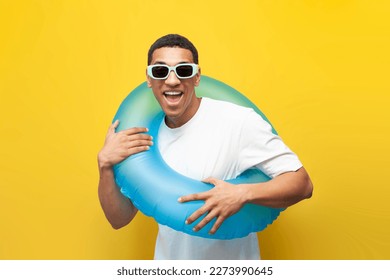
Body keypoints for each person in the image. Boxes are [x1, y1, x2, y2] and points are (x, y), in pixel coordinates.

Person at [98, 34, 313, 260]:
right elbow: (118, 219)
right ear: (149, 79)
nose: (172, 80)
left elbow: (302, 183)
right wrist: (105, 166)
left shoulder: (237, 122)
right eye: (161, 71)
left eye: (184, 70)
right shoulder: (141, 139)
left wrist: (242, 193)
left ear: (197, 76)